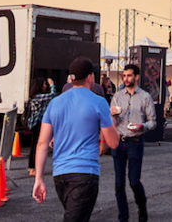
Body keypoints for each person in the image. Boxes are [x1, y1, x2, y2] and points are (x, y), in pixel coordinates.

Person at [33, 57, 120, 222]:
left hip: (60, 175)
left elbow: (42, 143)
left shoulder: (55, 103)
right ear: (90, 77)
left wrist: (39, 179)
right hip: (85, 173)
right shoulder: (98, 102)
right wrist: (112, 122)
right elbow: (113, 142)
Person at [110, 63, 157, 222]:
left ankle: (142, 210)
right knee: (119, 184)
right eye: (124, 76)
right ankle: (123, 217)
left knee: (134, 181)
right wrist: (111, 115)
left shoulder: (145, 97)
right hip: (119, 141)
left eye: (129, 75)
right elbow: (111, 123)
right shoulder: (117, 96)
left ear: (136, 77)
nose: (126, 79)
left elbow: (153, 122)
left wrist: (142, 126)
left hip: (136, 142)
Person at [26, 77, 57, 176]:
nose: (45, 86)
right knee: (35, 145)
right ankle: (32, 168)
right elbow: (52, 95)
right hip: (37, 123)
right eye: (44, 85)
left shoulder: (35, 97)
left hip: (37, 123)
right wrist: (52, 85)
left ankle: (32, 167)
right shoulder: (38, 97)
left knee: (36, 145)